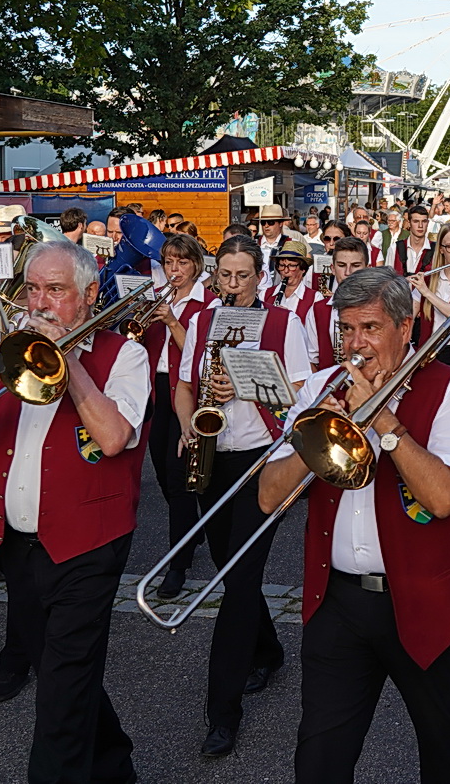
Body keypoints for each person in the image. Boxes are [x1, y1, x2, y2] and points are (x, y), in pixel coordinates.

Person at [258, 269, 450, 784]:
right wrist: (315, 431)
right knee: (319, 757)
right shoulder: (322, 386)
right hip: (337, 600)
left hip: (425, 597)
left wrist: (383, 420)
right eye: (346, 330)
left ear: (406, 329)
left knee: (443, 744)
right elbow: (269, 496)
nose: (355, 345)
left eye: (370, 328)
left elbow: (444, 497)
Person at [0, 241, 150, 784]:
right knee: (63, 674)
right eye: (32, 289)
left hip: (88, 543)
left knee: (58, 700)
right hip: (16, 543)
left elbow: (112, 438)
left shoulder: (124, 355)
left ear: (86, 296)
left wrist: (69, 361)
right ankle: (114, 763)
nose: (39, 303)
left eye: (54, 291)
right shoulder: (8, 354)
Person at [170, 235, 311, 759]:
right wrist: (187, 426)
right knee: (231, 565)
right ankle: (269, 652)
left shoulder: (282, 324)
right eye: (225, 276)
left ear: (261, 276)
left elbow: (303, 393)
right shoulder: (205, 321)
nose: (233, 286)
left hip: (261, 461)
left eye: (243, 276)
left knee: (238, 581)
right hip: (212, 453)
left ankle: (221, 715)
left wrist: (246, 387)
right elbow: (185, 385)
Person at [138, 232, 213, 602]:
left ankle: (177, 563)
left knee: (179, 475)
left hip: (185, 393)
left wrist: (171, 322)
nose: (175, 269)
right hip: (156, 391)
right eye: (169, 262)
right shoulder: (156, 297)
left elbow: (199, 357)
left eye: (182, 262)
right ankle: (191, 528)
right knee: (164, 474)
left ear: (196, 266)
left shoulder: (207, 304)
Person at [308, 237, 371, 370]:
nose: (348, 273)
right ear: (332, 268)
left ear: (368, 269)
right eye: (341, 265)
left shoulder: (381, 307)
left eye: (356, 266)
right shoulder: (318, 310)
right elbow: (311, 362)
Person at [391, 203, 435, 275]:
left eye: (424, 221)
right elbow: (387, 280)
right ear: (409, 223)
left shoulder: (436, 250)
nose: (420, 226)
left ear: (427, 223)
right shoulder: (394, 249)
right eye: (416, 221)